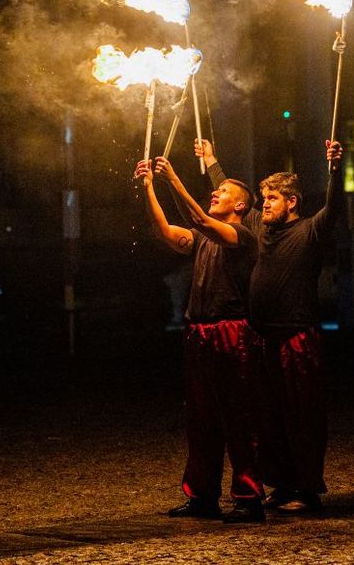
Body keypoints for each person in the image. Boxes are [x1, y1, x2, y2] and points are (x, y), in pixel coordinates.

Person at [195, 137, 344, 514]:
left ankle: (307, 489)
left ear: (292, 202)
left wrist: (335, 169)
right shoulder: (259, 228)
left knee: (300, 416)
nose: (265, 205)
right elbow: (233, 196)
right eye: (263, 199)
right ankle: (282, 483)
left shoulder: (310, 231)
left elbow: (335, 206)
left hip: (297, 337)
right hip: (261, 338)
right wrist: (211, 161)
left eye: (273, 199)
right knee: (266, 419)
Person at [134, 155, 265, 523]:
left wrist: (173, 178)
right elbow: (165, 230)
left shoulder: (242, 237)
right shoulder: (203, 239)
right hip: (198, 333)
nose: (215, 192)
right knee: (201, 418)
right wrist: (149, 188)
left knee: (238, 417)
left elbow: (199, 219)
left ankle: (249, 498)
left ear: (240, 206)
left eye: (223, 190)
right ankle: (202, 496)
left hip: (231, 331)